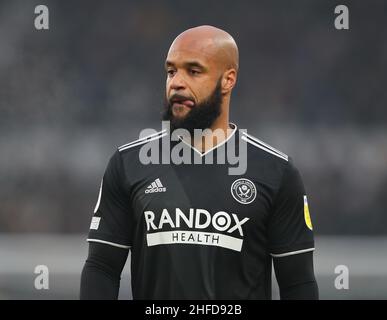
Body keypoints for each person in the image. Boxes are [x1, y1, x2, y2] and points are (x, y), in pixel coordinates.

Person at [80, 25, 318, 300]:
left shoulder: (276, 172)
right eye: (171, 71)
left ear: (228, 80)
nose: (176, 83)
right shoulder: (127, 164)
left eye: (193, 71)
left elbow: (297, 283)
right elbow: (102, 267)